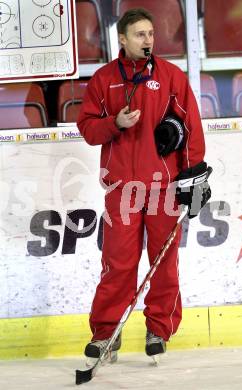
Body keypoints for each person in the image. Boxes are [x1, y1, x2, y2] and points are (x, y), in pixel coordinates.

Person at [77, 8, 211, 365]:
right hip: (122, 190)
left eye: (150, 33)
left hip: (162, 189)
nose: (147, 40)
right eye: (139, 34)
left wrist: (193, 174)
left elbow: (192, 127)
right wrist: (114, 123)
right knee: (118, 263)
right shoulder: (104, 79)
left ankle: (158, 328)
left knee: (164, 262)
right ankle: (107, 332)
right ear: (122, 39)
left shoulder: (170, 77)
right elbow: (88, 128)